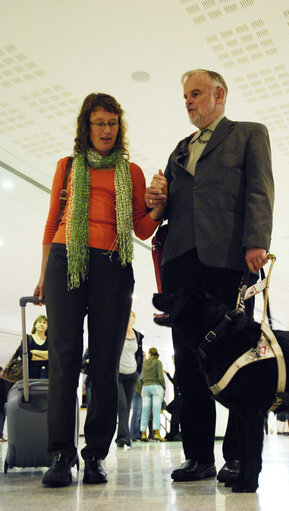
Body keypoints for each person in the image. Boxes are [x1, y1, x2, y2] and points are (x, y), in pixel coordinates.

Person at [145, 69, 274, 482]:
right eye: (185, 96)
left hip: (230, 258)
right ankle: (198, 455)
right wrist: (157, 201)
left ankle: (238, 456)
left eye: (195, 93)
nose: (188, 101)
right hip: (182, 261)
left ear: (220, 95)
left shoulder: (250, 133)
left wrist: (256, 241)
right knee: (186, 361)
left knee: (241, 358)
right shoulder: (178, 150)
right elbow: (175, 207)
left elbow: (260, 189)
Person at [34, 92, 162, 488]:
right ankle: (60, 454)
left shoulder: (133, 172)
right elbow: (53, 219)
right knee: (64, 360)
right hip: (64, 259)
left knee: (104, 365)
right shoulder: (67, 166)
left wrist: (160, 204)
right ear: (86, 128)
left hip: (113, 263)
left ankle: (95, 457)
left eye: (112, 123)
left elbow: (141, 229)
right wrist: (42, 275)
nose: (106, 130)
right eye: (99, 123)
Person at [116, 310, 143, 447]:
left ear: (134, 319)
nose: (128, 318)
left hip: (132, 375)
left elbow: (140, 356)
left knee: (127, 407)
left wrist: (138, 372)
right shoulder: (117, 334)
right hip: (118, 375)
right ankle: (123, 437)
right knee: (122, 406)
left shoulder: (138, 336)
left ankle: (124, 436)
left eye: (131, 316)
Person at [140, 347, 166, 442]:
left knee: (145, 411)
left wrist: (143, 385)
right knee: (156, 411)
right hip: (156, 387)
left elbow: (140, 377)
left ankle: (143, 434)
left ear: (149, 353)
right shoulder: (158, 362)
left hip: (145, 388)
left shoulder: (144, 363)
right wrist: (164, 387)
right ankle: (157, 434)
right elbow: (160, 376)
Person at [164, 357, 182, 441]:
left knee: (173, 413)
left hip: (178, 396)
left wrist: (168, 375)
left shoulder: (178, 370)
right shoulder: (178, 369)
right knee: (174, 413)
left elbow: (175, 382)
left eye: (173, 359)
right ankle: (174, 433)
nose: (172, 361)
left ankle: (174, 433)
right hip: (177, 396)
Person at [0, 366, 9, 442]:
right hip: (1, 405)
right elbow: (4, 394)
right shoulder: (2, 382)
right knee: (1, 419)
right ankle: (0, 435)